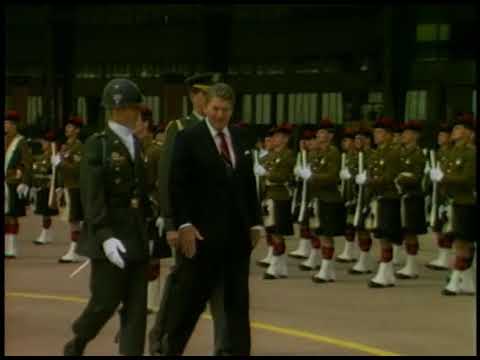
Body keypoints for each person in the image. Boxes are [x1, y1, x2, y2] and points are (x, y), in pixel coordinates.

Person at [157, 83, 263, 355]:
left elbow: (248, 183)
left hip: (237, 238)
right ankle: (170, 349)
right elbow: (176, 185)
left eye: (225, 110)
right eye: (215, 108)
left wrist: (254, 222)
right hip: (201, 237)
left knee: (237, 304)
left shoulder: (240, 138)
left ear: (232, 110)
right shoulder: (188, 137)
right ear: (205, 107)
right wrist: (182, 224)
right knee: (189, 302)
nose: (220, 115)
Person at [63, 78, 152, 356]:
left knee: (137, 309)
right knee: (104, 302)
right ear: (119, 109)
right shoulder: (97, 144)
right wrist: (105, 236)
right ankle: (77, 342)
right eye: (132, 106)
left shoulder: (136, 144)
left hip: (136, 237)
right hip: (111, 238)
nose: (137, 111)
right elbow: (92, 197)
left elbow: (141, 192)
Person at [149, 73, 232, 356]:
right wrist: (171, 220)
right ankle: (160, 338)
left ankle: (224, 347)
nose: (211, 103)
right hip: (191, 224)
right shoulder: (181, 128)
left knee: (223, 289)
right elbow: (168, 173)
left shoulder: (227, 132)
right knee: (181, 285)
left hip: (222, 226)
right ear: (195, 96)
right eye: (205, 96)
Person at [430, 116, 476, 295]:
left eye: (459, 128)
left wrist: (443, 178)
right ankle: (469, 282)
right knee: (458, 241)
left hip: (467, 202)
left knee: (463, 243)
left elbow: (467, 179)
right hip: (453, 202)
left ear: (469, 133)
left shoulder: (471, 153)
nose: (455, 131)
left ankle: (455, 280)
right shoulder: (452, 152)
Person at [298, 119, 346, 283]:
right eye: (318, 133)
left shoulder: (333, 153)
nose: (319, 136)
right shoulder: (314, 153)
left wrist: (312, 177)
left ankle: (327, 269)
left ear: (331, 136)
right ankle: (327, 268)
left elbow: (332, 176)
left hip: (328, 197)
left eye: (323, 133)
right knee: (316, 231)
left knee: (326, 234)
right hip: (315, 198)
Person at [356, 117, 403, 288]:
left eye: (380, 132)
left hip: (389, 197)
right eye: (375, 132)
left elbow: (389, 177)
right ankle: (387, 271)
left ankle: (385, 271)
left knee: (386, 235)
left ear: (390, 135)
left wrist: (368, 181)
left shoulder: (393, 152)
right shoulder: (377, 153)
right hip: (378, 197)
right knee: (381, 235)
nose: (376, 136)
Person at [394, 120, 427, 279]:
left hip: (412, 196)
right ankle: (408, 263)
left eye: (407, 133)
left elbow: (417, 177)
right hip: (400, 196)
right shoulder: (400, 152)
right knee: (403, 230)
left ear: (415, 136)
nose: (403, 136)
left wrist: (400, 178)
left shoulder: (418, 154)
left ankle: (412, 265)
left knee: (410, 231)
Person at [54, 116, 85, 263]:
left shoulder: (79, 147)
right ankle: (75, 249)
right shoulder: (65, 146)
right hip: (67, 186)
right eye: (67, 126)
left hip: (76, 187)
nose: (67, 129)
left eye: (71, 127)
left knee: (74, 220)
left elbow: (77, 170)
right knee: (72, 220)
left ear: (77, 131)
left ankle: (75, 250)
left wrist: (61, 164)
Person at [426, 123, 454, 270]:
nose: (440, 138)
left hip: (447, 194)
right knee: (437, 226)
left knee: (446, 226)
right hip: (436, 193)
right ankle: (441, 255)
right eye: (439, 135)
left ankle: (446, 258)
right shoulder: (438, 153)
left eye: (443, 135)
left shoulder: (452, 153)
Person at [4, 110, 32, 258]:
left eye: (7, 124)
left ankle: (12, 247)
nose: (5, 126)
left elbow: (27, 163)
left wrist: (25, 182)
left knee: (11, 215)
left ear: (14, 125)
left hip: (13, 182)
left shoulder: (21, 141)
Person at [31, 130, 59, 245]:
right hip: (41, 186)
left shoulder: (54, 156)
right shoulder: (42, 156)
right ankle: (46, 233)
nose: (42, 144)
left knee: (46, 212)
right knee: (43, 212)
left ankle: (45, 233)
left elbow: (54, 172)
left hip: (49, 187)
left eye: (44, 142)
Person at [337, 126, 360, 263]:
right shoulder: (345, 156)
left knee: (353, 222)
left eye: (346, 140)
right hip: (345, 192)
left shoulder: (358, 156)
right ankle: (348, 249)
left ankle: (352, 250)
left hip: (354, 193)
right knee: (347, 222)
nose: (344, 143)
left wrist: (351, 175)